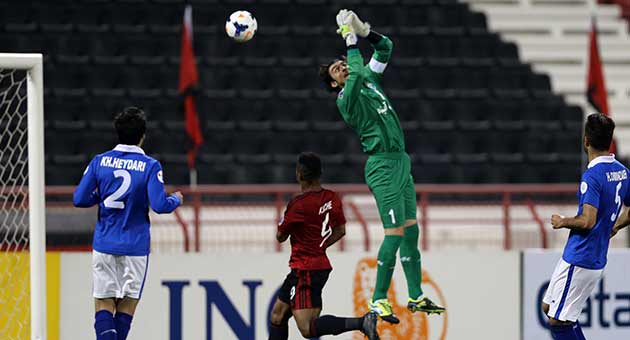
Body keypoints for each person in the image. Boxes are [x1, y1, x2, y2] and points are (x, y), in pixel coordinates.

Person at [318, 9, 445, 323]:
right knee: (393, 233)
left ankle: (415, 296)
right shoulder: (346, 98)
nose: (343, 66)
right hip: (382, 167)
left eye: (342, 62)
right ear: (334, 84)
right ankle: (378, 301)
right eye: (337, 69)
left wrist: (362, 30)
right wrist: (349, 40)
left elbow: (385, 47)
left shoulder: (369, 79)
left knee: (411, 231)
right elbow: (358, 73)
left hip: (401, 162)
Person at [73, 107, 183, 340]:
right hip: (135, 247)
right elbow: (160, 205)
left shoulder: (99, 162)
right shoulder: (150, 166)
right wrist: (176, 199)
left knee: (103, 303)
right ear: (142, 136)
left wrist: (99, 196)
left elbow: (79, 199)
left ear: (118, 133)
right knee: (126, 307)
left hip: (105, 244)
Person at [268, 152, 379, 340]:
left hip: (306, 270)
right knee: (278, 315)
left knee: (306, 328)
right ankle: (362, 322)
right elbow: (340, 230)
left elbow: (280, 236)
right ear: (320, 173)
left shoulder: (298, 204)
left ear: (299, 174)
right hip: (313, 266)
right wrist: (319, 246)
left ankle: (362, 322)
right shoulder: (332, 198)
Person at [543, 113, 629, 340]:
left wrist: (563, 221)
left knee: (558, 321)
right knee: (548, 307)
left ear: (586, 140)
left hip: (582, 256)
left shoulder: (592, 177)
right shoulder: (622, 171)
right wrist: (616, 225)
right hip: (588, 255)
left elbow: (588, 220)